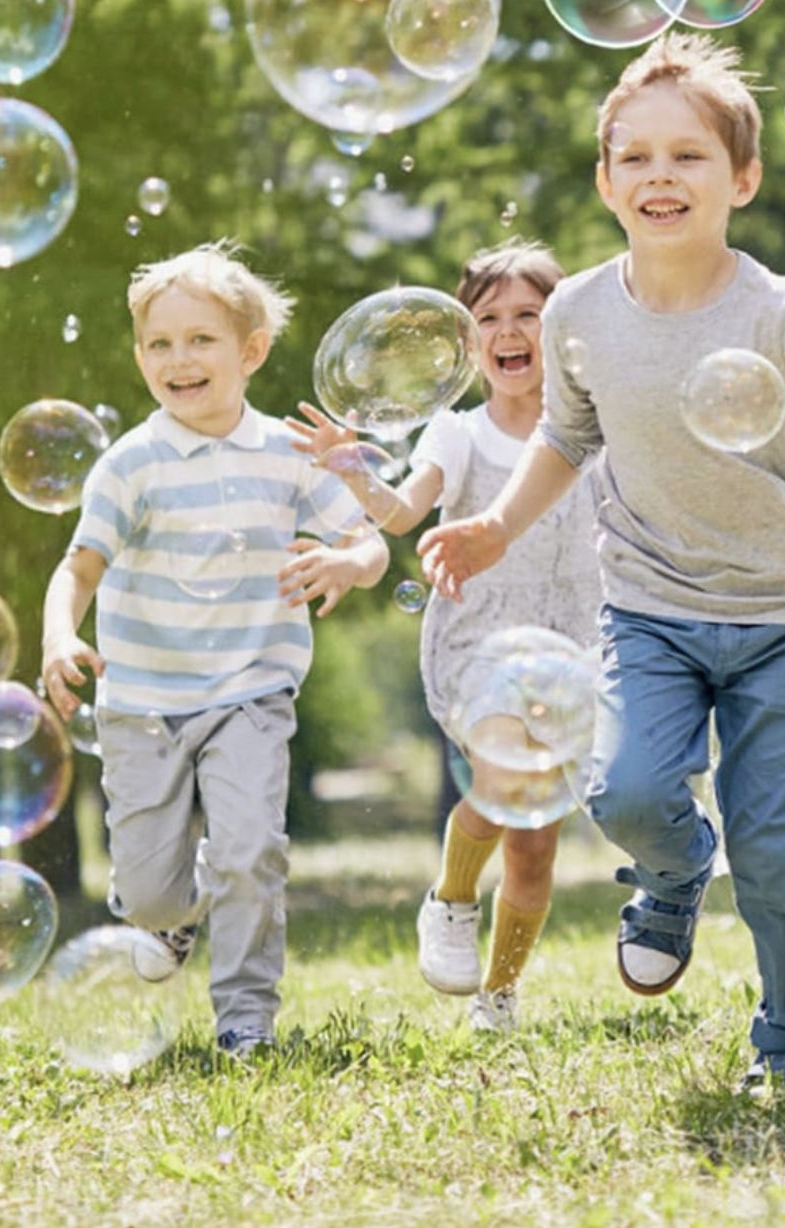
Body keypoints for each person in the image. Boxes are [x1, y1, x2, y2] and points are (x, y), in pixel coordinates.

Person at [417, 32, 785, 1090]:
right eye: (633, 157)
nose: (658, 176)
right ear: (603, 181)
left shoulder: (774, 311)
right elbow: (563, 438)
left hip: (779, 611)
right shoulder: (580, 313)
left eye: (686, 156)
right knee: (627, 791)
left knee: (775, 845)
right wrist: (496, 526)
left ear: (742, 178)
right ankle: (676, 874)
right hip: (647, 605)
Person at [41, 241, 388, 1059]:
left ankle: (245, 1019)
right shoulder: (131, 463)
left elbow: (368, 541)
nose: (179, 359)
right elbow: (78, 564)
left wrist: (348, 561)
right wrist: (62, 632)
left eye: (201, 340)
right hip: (142, 703)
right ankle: (171, 917)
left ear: (251, 351)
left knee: (251, 849)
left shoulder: (288, 455)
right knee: (155, 895)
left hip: (250, 691)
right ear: (139, 356)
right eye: (159, 344)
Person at [289, 240, 601, 1034]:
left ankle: (499, 996)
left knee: (533, 851)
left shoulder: (597, 426)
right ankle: (451, 897)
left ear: (559, 328)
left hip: (577, 652)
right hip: (480, 644)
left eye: (527, 314)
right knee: (502, 779)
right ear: (468, 346)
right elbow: (400, 512)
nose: (508, 331)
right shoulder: (457, 436)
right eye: (489, 318)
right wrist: (353, 469)